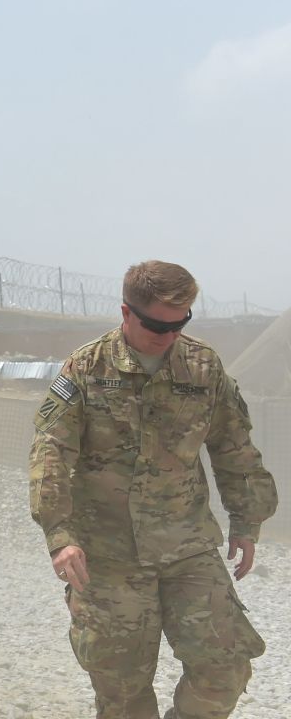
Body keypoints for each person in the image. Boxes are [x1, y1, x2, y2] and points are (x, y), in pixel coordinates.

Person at [29, 260, 276, 719]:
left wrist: (247, 520)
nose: (168, 335)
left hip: (187, 545)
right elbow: (51, 452)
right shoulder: (85, 368)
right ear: (127, 313)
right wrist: (59, 535)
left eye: (180, 323)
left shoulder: (203, 367)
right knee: (123, 692)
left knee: (225, 668)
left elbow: (234, 445)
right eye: (156, 325)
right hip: (108, 553)